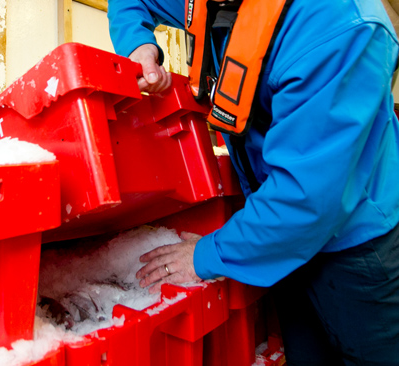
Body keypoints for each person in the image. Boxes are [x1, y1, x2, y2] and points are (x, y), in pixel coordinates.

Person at [107, 0, 399, 364]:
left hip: (355, 253)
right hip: (278, 243)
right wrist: (138, 45)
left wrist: (205, 255)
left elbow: (304, 200)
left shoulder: (341, 23)